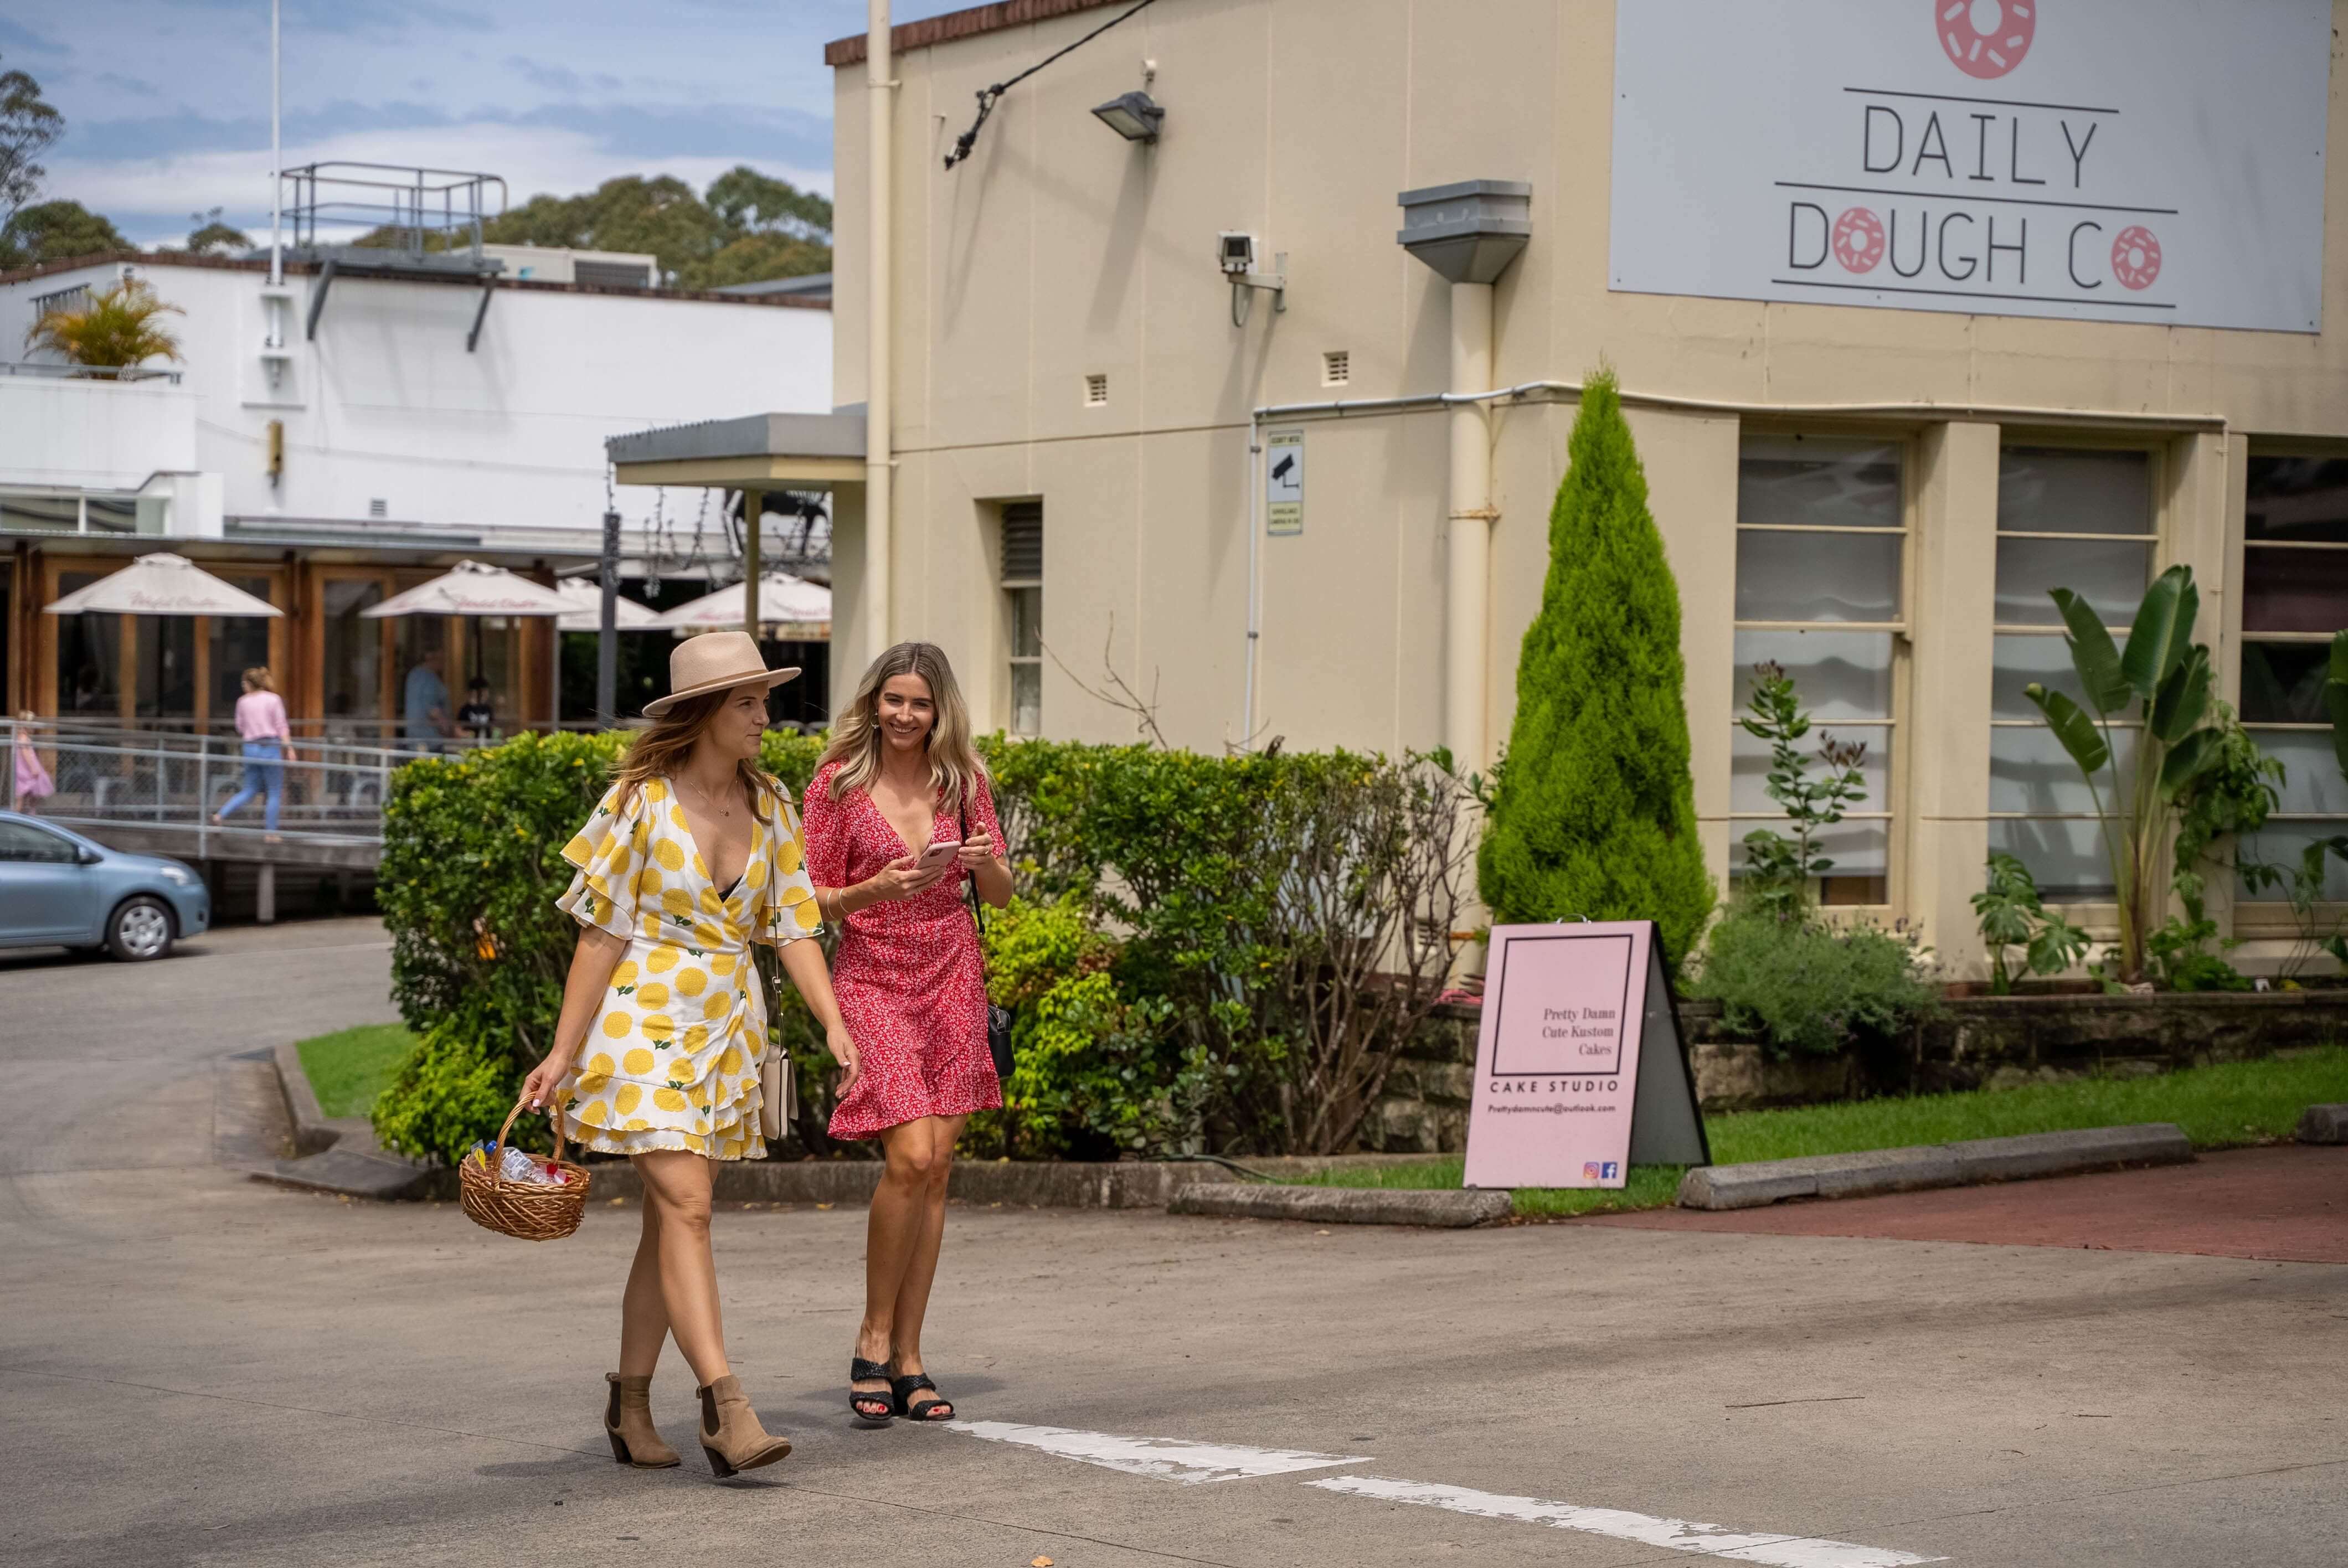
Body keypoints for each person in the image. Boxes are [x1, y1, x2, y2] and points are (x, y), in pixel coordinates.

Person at [519, 630, 859, 1479]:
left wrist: (833, 1021)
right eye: (747, 703)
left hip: (726, 1029)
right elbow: (602, 934)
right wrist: (563, 1053)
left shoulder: (774, 804)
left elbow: (793, 926)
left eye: (763, 700)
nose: (763, 716)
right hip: (641, 1020)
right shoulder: (640, 802)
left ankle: (630, 1403)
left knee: (671, 1219)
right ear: (705, 713)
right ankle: (726, 1406)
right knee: (690, 1205)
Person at [802, 641, 1011, 1426]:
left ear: (939, 710)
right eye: (893, 699)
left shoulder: (966, 782)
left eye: (919, 703)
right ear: (874, 702)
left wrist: (985, 861)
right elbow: (805, 899)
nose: (904, 714)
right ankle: (872, 1337)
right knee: (911, 1154)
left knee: (941, 1165)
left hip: (954, 968)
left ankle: (912, 1358)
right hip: (873, 976)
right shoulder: (838, 785)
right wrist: (872, 887)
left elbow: (1002, 891)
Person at [213, 668, 295, 842]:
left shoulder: (243, 702)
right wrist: (289, 748)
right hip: (270, 746)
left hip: (250, 747)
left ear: (249, 684)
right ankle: (270, 833)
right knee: (274, 791)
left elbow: (240, 727)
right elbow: (281, 726)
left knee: (250, 789)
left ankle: (221, 815)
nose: (243, 687)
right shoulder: (274, 700)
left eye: (243, 683)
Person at [401, 647, 451, 752]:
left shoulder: (413, 675)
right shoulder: (429, 678)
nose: (444, 663)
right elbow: (431, 708)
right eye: (442, 660)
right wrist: (447, 726)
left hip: (413, 737)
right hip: (430, 739)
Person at [11, 713, 53, 813]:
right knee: (22, 796)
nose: (33, 726)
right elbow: (25, 754)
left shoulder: (22, 737)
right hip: (26, 769)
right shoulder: (23, 738)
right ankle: (21, 815)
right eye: (31, 724)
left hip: (26, 767)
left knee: (31, 793)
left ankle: (31, 813)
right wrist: (33, 767)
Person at [457, 677, 496, 742]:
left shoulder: (488, 708)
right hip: (470, 745)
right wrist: (467, 735)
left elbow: (493, 727)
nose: (486, 694)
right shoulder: (465, 709)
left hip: (486, 744)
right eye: (483, 691)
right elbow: (458, 730)